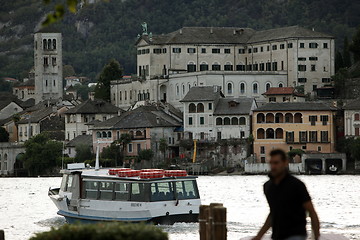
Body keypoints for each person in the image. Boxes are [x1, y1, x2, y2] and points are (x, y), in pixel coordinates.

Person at [252, 149, 320, 240]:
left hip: (296, 234)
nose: (273, 166)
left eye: (276, 163)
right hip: (277, 236)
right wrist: (258, 236)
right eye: (271, 163)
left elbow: (311, 211)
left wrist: (316, 236)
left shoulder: (296, 185)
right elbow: (273, 213)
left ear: (285, 163)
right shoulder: (268, 187)